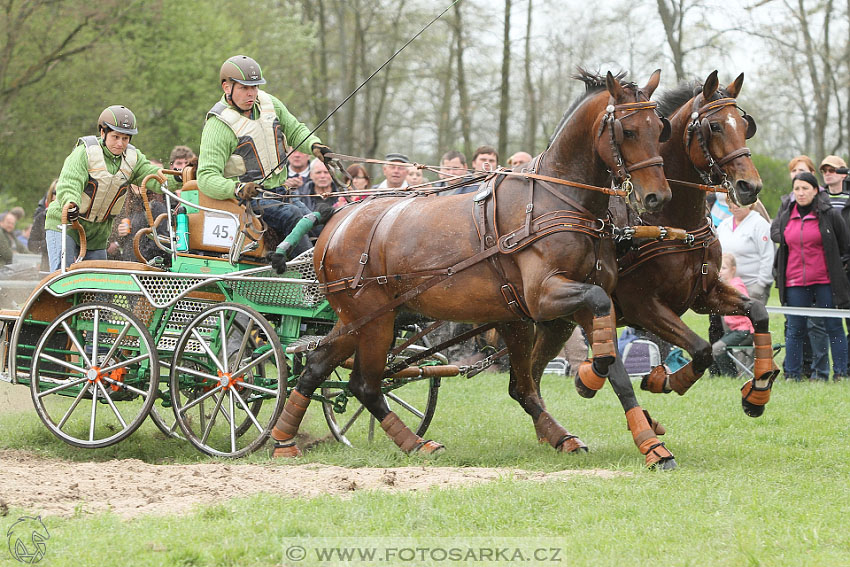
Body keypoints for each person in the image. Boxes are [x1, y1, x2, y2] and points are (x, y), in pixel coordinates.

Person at [197, 55, 331, 256]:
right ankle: (310, 276)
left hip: (281, 193)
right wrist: (238, 188)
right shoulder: (218, 125)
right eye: (244, 88)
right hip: (251, 201)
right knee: (294, 216)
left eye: (255, 87)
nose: (251, 93)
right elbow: (206, 177)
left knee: (317, 220)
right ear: (227, 87)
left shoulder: (270, 103)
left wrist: (315, 145)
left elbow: (295, 130)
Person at [44, 105, 166, 271]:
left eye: (125, 138)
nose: (120, 143)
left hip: (97, 233)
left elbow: (153, 176)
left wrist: (179, 177)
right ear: (103, 132)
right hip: (67, 224)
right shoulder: (85, 152)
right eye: (115, 137)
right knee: (62, 276)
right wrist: (71, 203)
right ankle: (53, 296)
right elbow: (70, 182)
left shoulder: (133, 158)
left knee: (99, 285)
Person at [771, 171, 850, 381]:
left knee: (833, 326)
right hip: (795, 281)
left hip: (825, 281)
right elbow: (781, 241)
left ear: (816, 191)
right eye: (797, 188)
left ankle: (841, 373)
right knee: (795, 329)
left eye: (805, 188)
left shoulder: (830, 214)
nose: (801, 193)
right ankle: (792, 374)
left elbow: (844, 246)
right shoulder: (787, 215)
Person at [717, 199, 774, 303]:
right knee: (727, 320)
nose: (735, 206)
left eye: (739, 202)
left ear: (750, 203)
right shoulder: (724, 225)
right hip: (727, 286)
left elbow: (768, 255)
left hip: (752, 287)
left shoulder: (760, 224)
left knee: (748, 319)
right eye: (732, 202)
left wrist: (761, 284)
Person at [711, 253, 755, 376]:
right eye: (718, 268)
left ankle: (729, 375)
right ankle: (732, 373)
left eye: (724, 268)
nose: (720, 272)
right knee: (718, 348)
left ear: (733, 269)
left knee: (717, 348)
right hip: (734, 330)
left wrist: (754, 333)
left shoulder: (737, 288)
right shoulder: (725, 287)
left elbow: (750, 311)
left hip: (744, 331)